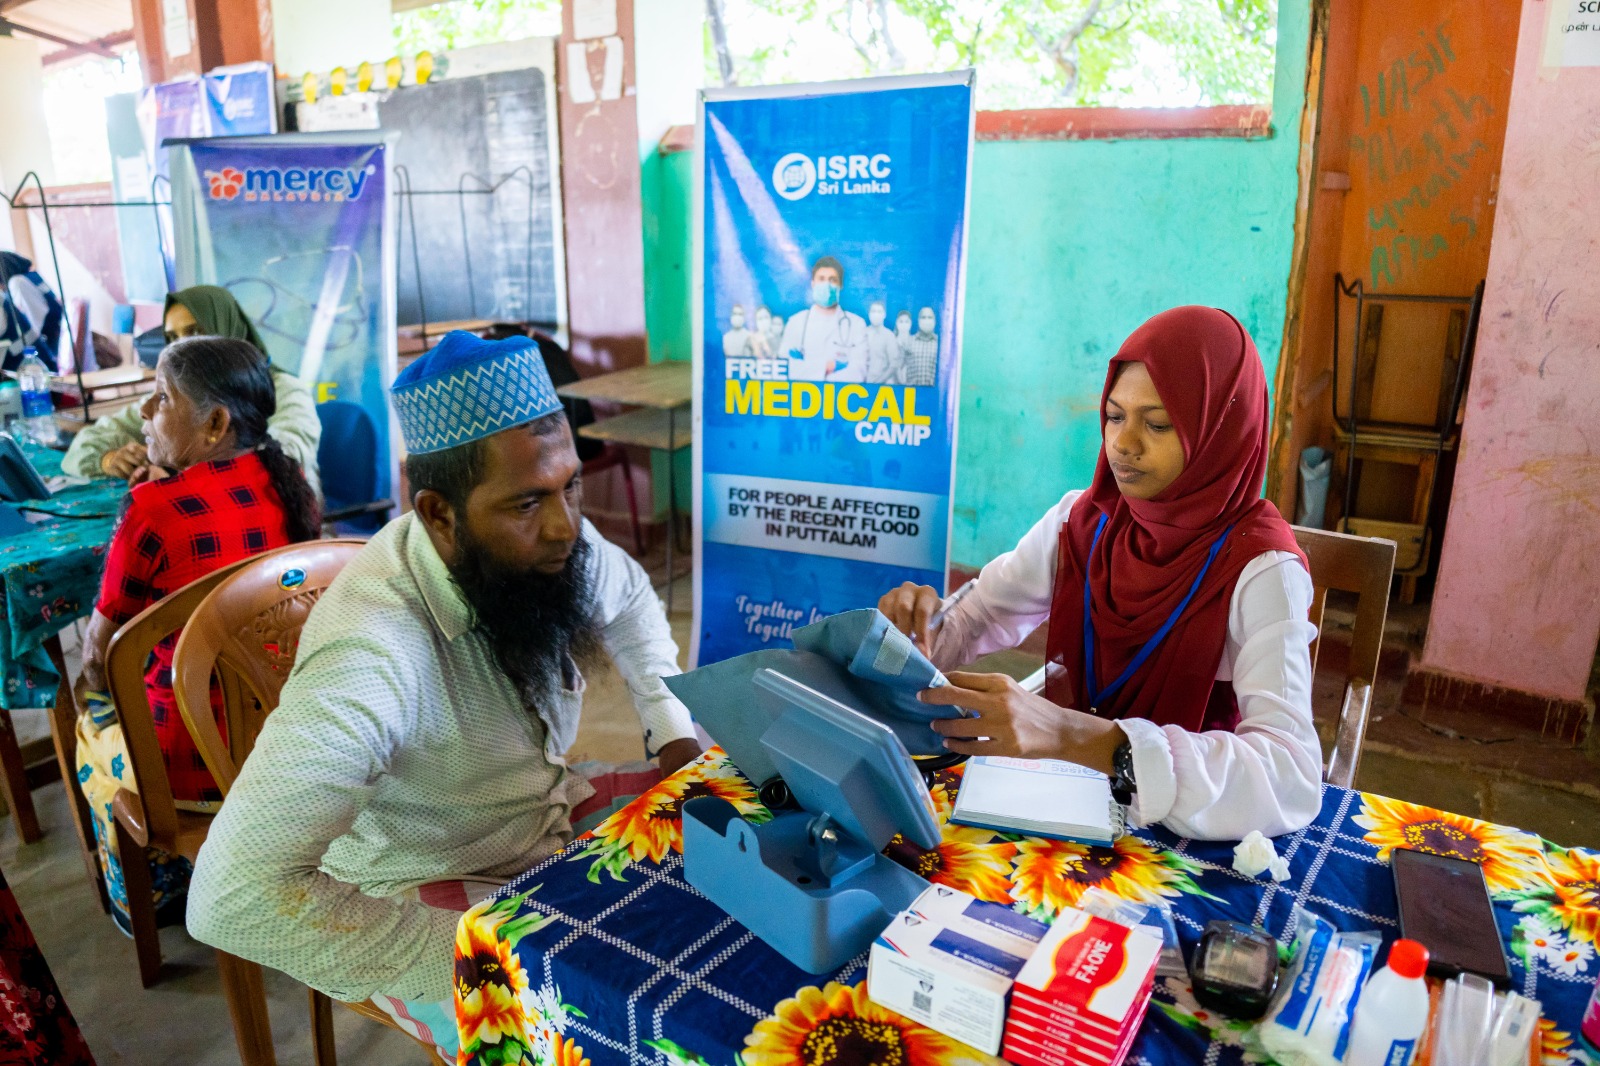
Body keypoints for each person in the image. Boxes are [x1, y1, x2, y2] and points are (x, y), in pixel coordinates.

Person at [187, 331, 703, 1060]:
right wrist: (499, 959)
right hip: (427, 876)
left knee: (725, 838)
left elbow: (630, 600)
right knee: (618, 1024)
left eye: (571, 486)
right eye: (527, 503)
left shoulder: (546, 545)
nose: (566, 528)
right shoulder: (373, 648)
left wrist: (671, 731)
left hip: (541, 812)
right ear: (438, 515)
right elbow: (232, 896)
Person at [879, 306, 1320, 841]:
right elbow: (981, 615)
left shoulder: (1261, 569)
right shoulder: (1084, 522)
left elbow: (1290, 775)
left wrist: (1073, 734)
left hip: (1188, 829)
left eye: (1157, 424)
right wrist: (922, 634)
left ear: (1221, 432)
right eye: (1114, 416)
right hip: (1066, 806)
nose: (1123, 443)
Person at [74, 336, 321, 936]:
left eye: (161, 397)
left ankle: (153, 896)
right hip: (287, 743)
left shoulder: (153, 510)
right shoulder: (287, 483)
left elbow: (99, 659)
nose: (144, 411)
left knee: (86, 726)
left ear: (214, 425)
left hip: (193, 768)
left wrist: (94, 697)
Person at [62, 285, 322, 497]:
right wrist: (111, 459)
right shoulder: (175, 397)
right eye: (172, 338)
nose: (182, 347)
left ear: (227, 328)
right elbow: (86, 443)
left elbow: (284, 457)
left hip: (282, 528)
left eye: (195, 333)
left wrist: (176, 472)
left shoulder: (286, 391)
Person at [781, 255, 865, 382]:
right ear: (813, 284)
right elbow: (786, 369)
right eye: (821, 279)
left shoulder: (856, 325)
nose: (826, 284)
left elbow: (858, 373)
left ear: (840, 285)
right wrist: (828, 367)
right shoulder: (796, 322)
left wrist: (808, 369)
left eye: (833, 280)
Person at [0, 252, 64, 371]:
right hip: (57, 338)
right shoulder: (31, 276)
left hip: (47, 351)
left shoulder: (17, 283)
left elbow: (33, 323)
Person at [861, 299, 904, 384]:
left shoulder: (889, 335)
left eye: (879, 312)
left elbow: (893, 365)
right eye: (873, 311)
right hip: (862, 382)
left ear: (884, 315)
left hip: (881, 384)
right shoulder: (862, 333)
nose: (876, 314)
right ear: (869, 314)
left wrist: (878, 382)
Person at [903, 306, 940, 386]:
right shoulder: (909, 341)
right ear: (918, 320)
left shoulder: (939, 343)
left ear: (934, 321)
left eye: (930, 317)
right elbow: (901, 369)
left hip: (932, 391)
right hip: (913, 391)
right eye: (923, 317)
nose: (927, 320)